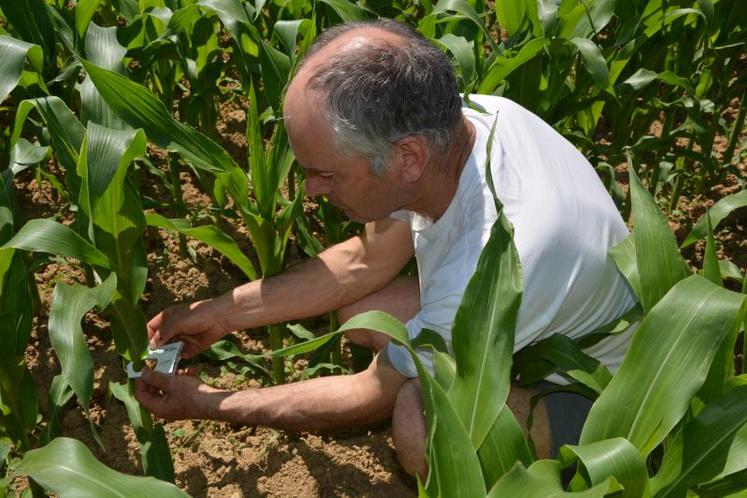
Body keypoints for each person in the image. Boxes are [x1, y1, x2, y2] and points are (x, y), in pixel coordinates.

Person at [135, 19, 637, 479]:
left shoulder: (492, 260)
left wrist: (208, 402)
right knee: (366, 311)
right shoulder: (469, 125)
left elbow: (370, 392)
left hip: (601, 393)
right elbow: (363, 262)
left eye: (324, 173)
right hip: (532, 321)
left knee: (419, 420)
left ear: (408, 158)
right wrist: (221, 315)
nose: (309, 191)